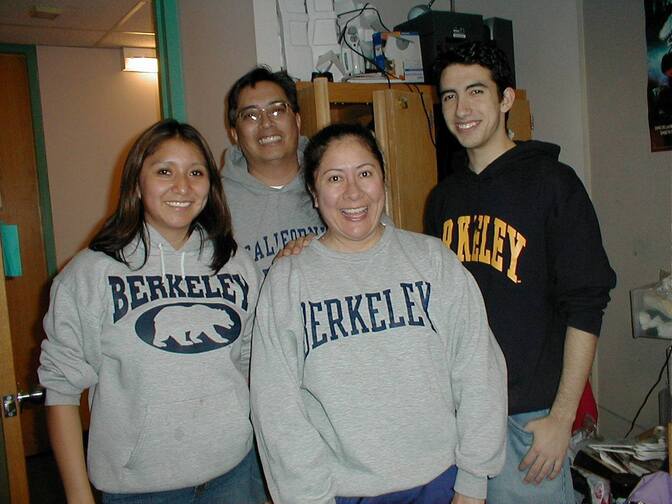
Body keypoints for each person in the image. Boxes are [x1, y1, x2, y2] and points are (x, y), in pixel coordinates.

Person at [250, 123, 507, 504]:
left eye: (365, 173)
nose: (353, 192)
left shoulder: (433, 261)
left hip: (442, 485)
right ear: (314, 193)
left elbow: (479, 371)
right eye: (335, 178)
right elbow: (276, 410)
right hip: (339, 494)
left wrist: (473, 483)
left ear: (384, 182)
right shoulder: (288, 280)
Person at [425, 41, 617, 503]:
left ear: (507, 98)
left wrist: (561, 417)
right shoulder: (443, 199)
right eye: (449, 95)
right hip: (460, 414)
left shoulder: (554, 184)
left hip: (528, 419)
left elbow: (587, 304)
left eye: (475, 91)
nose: (461, 108)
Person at [38, 119, 266, 503]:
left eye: (196, 172)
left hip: (235, 474)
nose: (182, 186)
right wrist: (79, 498)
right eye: (164, 171)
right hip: (140, 490)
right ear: (137, 183)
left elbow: (252, 368)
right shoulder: (92, 273)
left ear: (210, 185)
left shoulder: (236, 265)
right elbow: (60, 390)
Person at [222, 66, 325, 275]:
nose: (266, 123)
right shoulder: (213, 202)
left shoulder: (334, 179)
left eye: (277, 110)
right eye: (250, 115)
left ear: (297, 120)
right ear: (234, 133)